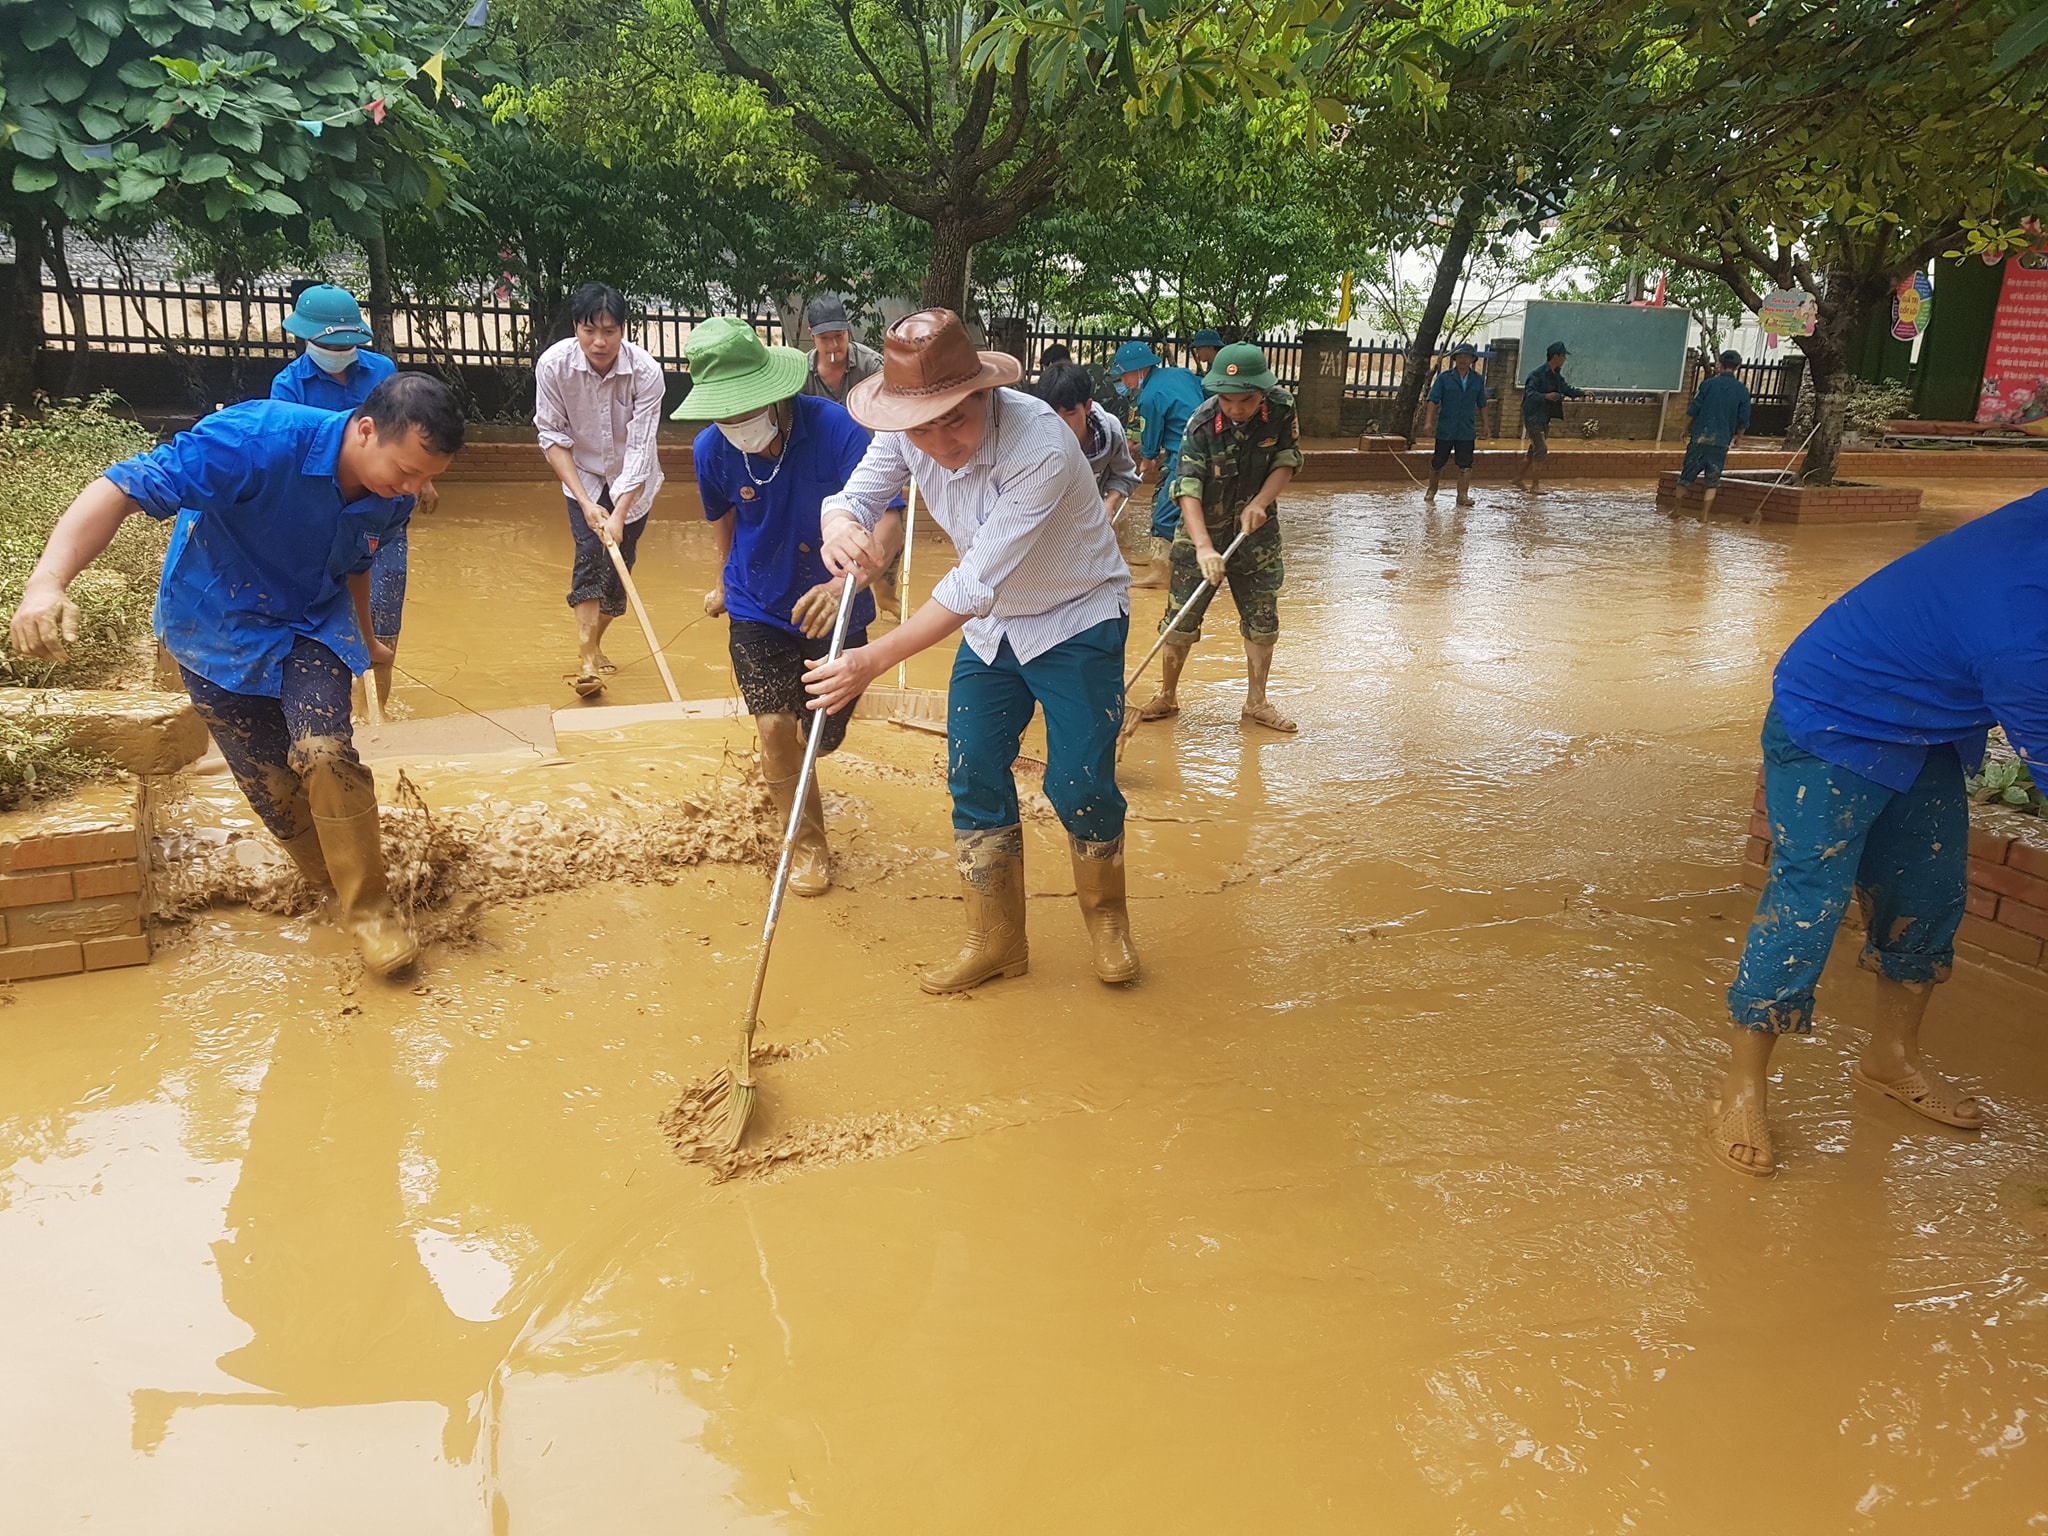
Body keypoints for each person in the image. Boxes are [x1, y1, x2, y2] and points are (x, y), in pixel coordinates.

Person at [7, 375, 465, 977]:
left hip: (311, 624)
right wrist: (47, 582)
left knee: (325, 753)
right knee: (276, 795)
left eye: (429, 478)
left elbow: (357, 562)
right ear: (366, 428)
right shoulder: (253, 440)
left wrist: (367, 638)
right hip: (214, 623)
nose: (416, 489)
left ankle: (370, 913)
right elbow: (119, 486)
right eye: (408, 471)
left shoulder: (394, 493)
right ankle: (331, 884)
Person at [1709, 491, 2048, 1177]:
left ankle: (1891, 1059)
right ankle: (1740, 1090)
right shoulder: (2021, 632)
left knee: (1930, 892)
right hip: (1835, 712)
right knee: (1809, 903)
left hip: (1927, 722)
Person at [803, 309, 1139, 993]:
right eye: (920, 427)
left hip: (1074, 616)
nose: (938, 442)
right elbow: (856, 496)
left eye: (953, 420)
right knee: (973, 767)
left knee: (1077, 782)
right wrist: (839, 527)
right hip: (995, 633)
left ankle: (1108, 920)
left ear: (983, 393)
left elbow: (969, 585)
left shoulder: (1040, 445)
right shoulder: (910, 432)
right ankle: (997, 940)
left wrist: (874, 660)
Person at [675, 317, 894, 896]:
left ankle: (797, 768)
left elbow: (890, 516)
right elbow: (725, 518)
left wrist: (850, 582)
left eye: (747, 409)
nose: (738, 425)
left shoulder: (839, 429)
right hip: (758, 603)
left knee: (818, 734)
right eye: (725, 414)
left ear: (777, 392)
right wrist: (724, 580)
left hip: (837, 602)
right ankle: (808, 846)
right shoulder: (709, 451)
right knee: (775, 726)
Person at [1131, 342, 1302, 735]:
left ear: (1262, 390)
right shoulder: (1201, 423)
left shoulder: (1281, 408)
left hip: (1255, 531)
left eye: (1246, 399)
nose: (1237, 408)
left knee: (1262, 618)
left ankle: (1256, 702)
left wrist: (1261, 502)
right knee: (1180, 618)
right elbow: (1186, 486)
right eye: (1228, 400)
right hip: (1200, 529)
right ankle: (1168, 695)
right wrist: (1204, 547)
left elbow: (1287, 460)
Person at [270, 284, 412, 712]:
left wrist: (419, 480)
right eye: (329, 343)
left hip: (380, 511)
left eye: (346, 343)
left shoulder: (381, 370)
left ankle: (378, 712)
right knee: (325, 612)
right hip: (322, 518)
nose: (338, 350)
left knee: (384, 608)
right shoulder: (288, 387)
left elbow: (405, 433)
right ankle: (333, 708)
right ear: (307, 338)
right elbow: (290, 459)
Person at [534, 283, 667, 698]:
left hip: (634, 481)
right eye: (590, 330)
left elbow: (642, 448)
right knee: (590, 555)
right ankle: (587, 659)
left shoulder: (646, 373)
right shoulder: (554, 366)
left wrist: (620, 513)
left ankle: (596, 638)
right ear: (576, 327)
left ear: (624, 330)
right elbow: (551, 436)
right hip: (584, 477)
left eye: (610, 331)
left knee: (619, 571)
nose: (600, 341)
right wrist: (588, 502)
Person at [1115, 339, 1206, 590]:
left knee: (1164, 513)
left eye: (1124, 375)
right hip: (1205, 448)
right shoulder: (1181, 373)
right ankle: (1165, 560)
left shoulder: (1149, 397)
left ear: (1138, 370)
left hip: (1185, 456)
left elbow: (1152, 441)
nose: (1124, 382)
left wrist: (1147, 459)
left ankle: (1161, 572)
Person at [1037, 361, 1141, 525]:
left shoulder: (1112, 432)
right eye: (1052, 415)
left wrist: (1110, 503)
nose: (1061, 424)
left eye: (1070, 413)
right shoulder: (1033, 437)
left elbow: (1125, 477)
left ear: (1087, 406)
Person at [1678, 349, 1753, 517]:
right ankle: (1704, 517)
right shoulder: (1741, 390)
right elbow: (1744, 418)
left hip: (1700, 439)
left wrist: (1684, 429)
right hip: (1721, 442)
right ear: (1737, 367)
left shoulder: (1707, 384)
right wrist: (1739, 438)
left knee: (1685, 477)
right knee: (1712, 481)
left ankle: (1676, 511)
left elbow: (1693, 409)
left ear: (1719, 364)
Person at [1512, 341, 1584, 493]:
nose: (1564, 360)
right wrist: (1545, 396)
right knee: (1541, 449)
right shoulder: (1537, 375)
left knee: (1534, 450)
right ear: (1556, 356)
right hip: (1533, 417)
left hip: (1545, 417)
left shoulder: (1556, 376)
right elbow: (1529, 394)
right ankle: (1535, 485)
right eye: (1563, 356)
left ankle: (1517, 479)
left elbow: (1566, 389)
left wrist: (1581, 393)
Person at [1424, 342, 1489, 506]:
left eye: (1466, 356)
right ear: (1454, 359)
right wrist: (1428, 422)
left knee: (1466, 463)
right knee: (1438, 460)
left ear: (1472, 360)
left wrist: (1486, 425)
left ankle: (1462, 495)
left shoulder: (1477, 380)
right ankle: (1431, 490)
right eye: (1460, 356)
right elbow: (1433, 400)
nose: (1463, 360)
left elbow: (1482, 403)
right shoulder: (1444, 378)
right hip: (1446, 428)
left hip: (1466, 429)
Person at [800, 296, 884, 406]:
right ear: (811, 334)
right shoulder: (801, 373)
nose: (833, 345)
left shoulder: (871, 366)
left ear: (848, 329)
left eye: (839, 335)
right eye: (824, 338)